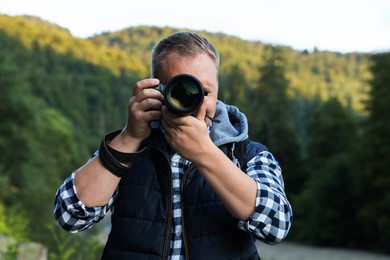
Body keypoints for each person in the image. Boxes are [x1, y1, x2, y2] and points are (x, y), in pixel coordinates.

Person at [53, 32, 293, 259]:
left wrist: (205, 153)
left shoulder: (246, 153)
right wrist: (129, 136)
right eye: (181, 90)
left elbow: (276, 227)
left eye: (204, 91)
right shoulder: (128, 149)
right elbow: (70, 216)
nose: (194, 101)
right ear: (157, 91)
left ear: (217, 91)